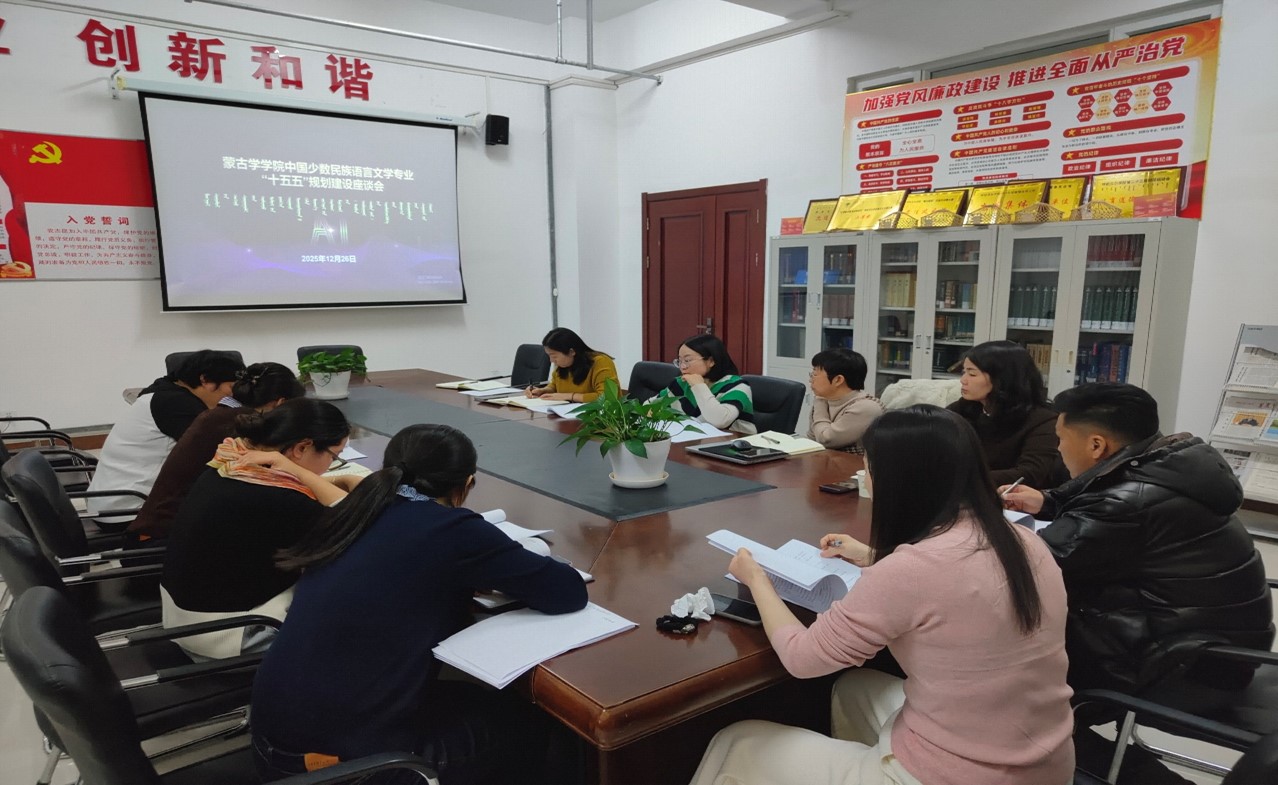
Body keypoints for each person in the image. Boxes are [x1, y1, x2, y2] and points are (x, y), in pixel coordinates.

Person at [692, 406, 1073, 785]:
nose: (865, 478)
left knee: (737, 741)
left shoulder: (911, 571)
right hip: (1045, 762)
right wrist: (872, 556)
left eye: (868, 469)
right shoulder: (1024, 540)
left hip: (956, 775)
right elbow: (955, 580)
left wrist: (757, 578)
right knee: (853, 688)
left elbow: (802, 658)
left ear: (895, 480)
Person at [250, 424, 588, 785]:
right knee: (532, 719)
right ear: (467, 483)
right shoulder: (453, 530)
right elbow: (567, 591)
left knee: (472, 697)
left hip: (272, 740)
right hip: (354, 768)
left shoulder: (354, 512)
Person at [1001, 383, 1273, 693]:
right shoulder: (1169, 465)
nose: (1058, 449)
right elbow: (1108, 496)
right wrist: (1048, 501)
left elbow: (1034, 563)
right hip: (1216, 648)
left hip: (1178, 666)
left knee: (1011, 618)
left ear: (1096, 446)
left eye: (1061, 439)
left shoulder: (1126, 505)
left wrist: (983, 527)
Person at [160, 398, 356, 659]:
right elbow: (356, 518)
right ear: (302, 447)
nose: (331, 465)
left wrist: (323, 477)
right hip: (230, 633)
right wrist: (316, 476)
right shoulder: (282, 500)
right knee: (357, 605)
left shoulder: (231, 464)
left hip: (184, 618)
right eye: (334, 456)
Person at [127, 362, 305, 540]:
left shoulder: (220, 415)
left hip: (161, 527)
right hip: (165, 537)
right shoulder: (241, 426)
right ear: (281, 403)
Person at [86, 349, 245, 520]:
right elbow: (223, 452)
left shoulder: (161, 390)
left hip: (109, 503)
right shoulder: (176, 404)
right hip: (131, 512)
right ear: (204, 380)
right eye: (231, 387)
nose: (233, 395)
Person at [947, 340, 1061, 489]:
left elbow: (1030, 473)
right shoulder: (964, 407)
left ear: (1001, 379)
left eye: (972, 374)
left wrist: (962, 478)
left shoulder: (1043, 420)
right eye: (964, 372)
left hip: (1010, 498)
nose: (963, 380)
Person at [651, 334, 756, 434]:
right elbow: (648, 407)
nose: (682, 367)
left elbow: (720, 421)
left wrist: (698, 386)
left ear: (711, 361)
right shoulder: (681, 384)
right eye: (679, 361)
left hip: (733, 443)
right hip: (691, 441)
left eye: (687, 360)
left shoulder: (738, 386)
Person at [807, 348, 884, 451]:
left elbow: (826, 439)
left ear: (838, 380)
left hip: (854, 461)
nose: (811, 379)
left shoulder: (866, 408)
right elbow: (812, 440)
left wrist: (819, 402)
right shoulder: (825, 400)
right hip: (826, 459)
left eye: (815, 374)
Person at [525, 327, 619, 404]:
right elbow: (555, 385)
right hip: (567, 416)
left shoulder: (601, 362)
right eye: (549, 356)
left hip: (601, 418)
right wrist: (543, 390)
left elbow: (608, 397)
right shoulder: (564, 365)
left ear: (571, 352)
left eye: (554, 356)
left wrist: (570, 396)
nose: (551, 360)